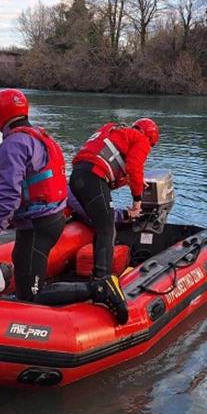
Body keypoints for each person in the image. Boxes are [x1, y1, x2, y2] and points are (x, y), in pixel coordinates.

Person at [0, 89, 127, 322]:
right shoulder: (41, 137)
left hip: (36, 225)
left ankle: (99, 288)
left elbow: (7, 196)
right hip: (53, 218)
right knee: (25, 275)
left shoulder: (13, 145)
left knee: (31, 295)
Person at [69, 118, 160, 325]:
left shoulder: (113, 130)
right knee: (107, 229)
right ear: (151, 138)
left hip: (78, 177)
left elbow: (112, 165)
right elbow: (134, 166)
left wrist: (132, 181)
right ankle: (103, 283)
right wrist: (137, 201)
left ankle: (96, 279)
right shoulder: (141, 139)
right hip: (93, 176)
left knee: (102, 223)